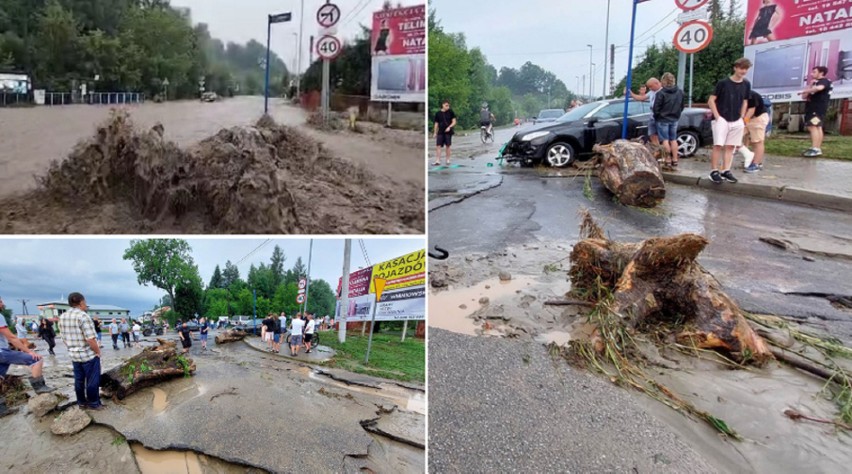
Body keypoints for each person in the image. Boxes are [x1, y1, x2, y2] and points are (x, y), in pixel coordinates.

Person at [1, 297, 54, 417]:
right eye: (0, 301)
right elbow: (11, 337)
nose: (3, 303)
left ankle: (1, 409)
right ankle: (40, 388)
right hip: (1, 351)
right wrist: (29, 351)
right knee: (36, 360)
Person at [708, 58, 752, 184]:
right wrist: (717, 117)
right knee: (718, 145)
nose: (743, 71)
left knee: (731, 146)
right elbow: (711, 100)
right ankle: (714, 171)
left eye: (745, 69)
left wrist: (742, 117)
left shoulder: (746, 84)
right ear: (735, 68)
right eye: (741, 68)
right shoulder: (723, 83)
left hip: (737, 119)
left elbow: (745, 101)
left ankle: (726, 170)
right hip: (722, 118)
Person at [58, 292, 102, 410]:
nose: (85, 305)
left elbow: (63, 338)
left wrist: (72, 348)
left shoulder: (62, 317)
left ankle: (81, 402)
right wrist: (98, 352)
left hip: (74, 355)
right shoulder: (83, 316)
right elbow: (90, 339)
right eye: (85, 302)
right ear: (81, 302)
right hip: (87, 355)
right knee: (92, 380)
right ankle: (94, 403)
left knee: (79, 380)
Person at [652, 72, 685, 168]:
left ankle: (668, 159)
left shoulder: (661, 93)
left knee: (665, 140)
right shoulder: (680, 92)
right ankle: (675, 159)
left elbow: (656, 108)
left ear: (663, 81)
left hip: (662, 119)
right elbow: (682, 106)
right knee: (673, 139)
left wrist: (657, 117)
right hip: (674, 118)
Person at [800, 66, 833, 158]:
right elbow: (804, 96)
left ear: (821, 73)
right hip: (811, 108)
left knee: (813, 126)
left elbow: (819, 88)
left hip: (817, 108)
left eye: (814, 72)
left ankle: (815, 148)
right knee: (817, 127)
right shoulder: (815, 83)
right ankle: (816, 148)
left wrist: (808, 89)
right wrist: (810, 86)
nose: (812, 74)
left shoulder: (824, 81)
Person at [741, 90, 771, 173]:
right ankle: (748, 155)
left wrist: (744, 122)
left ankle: (756, 163)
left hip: (757, 118)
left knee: (757, 142)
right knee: (734, 138)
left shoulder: (751, 95)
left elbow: (751, 110)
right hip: (746, 119)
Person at [628, 79, 662, 145]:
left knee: (663, 137)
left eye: (651, 86)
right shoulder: (651, 92)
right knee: (652, 134)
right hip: (652, 116)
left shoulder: (663, 91)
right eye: (649, 87)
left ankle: (664, 152)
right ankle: (657, 148)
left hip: (661, 117)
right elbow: (641, 98)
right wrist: (631, 93)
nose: (650, 88)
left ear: (656, 83)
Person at [433, 100, 457, 166]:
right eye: (446, 105)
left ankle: (448, 159)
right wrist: (435, 132)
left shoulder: (451, 112)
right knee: (438, 145)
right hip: (440, 131)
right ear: (443, 105)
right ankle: (437, 160)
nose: (448, 107)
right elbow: (436, 123)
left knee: (448, 145)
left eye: (448, 105)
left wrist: (449, 127)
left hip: (448, 132)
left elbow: (454, 121)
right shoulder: (438, 113)